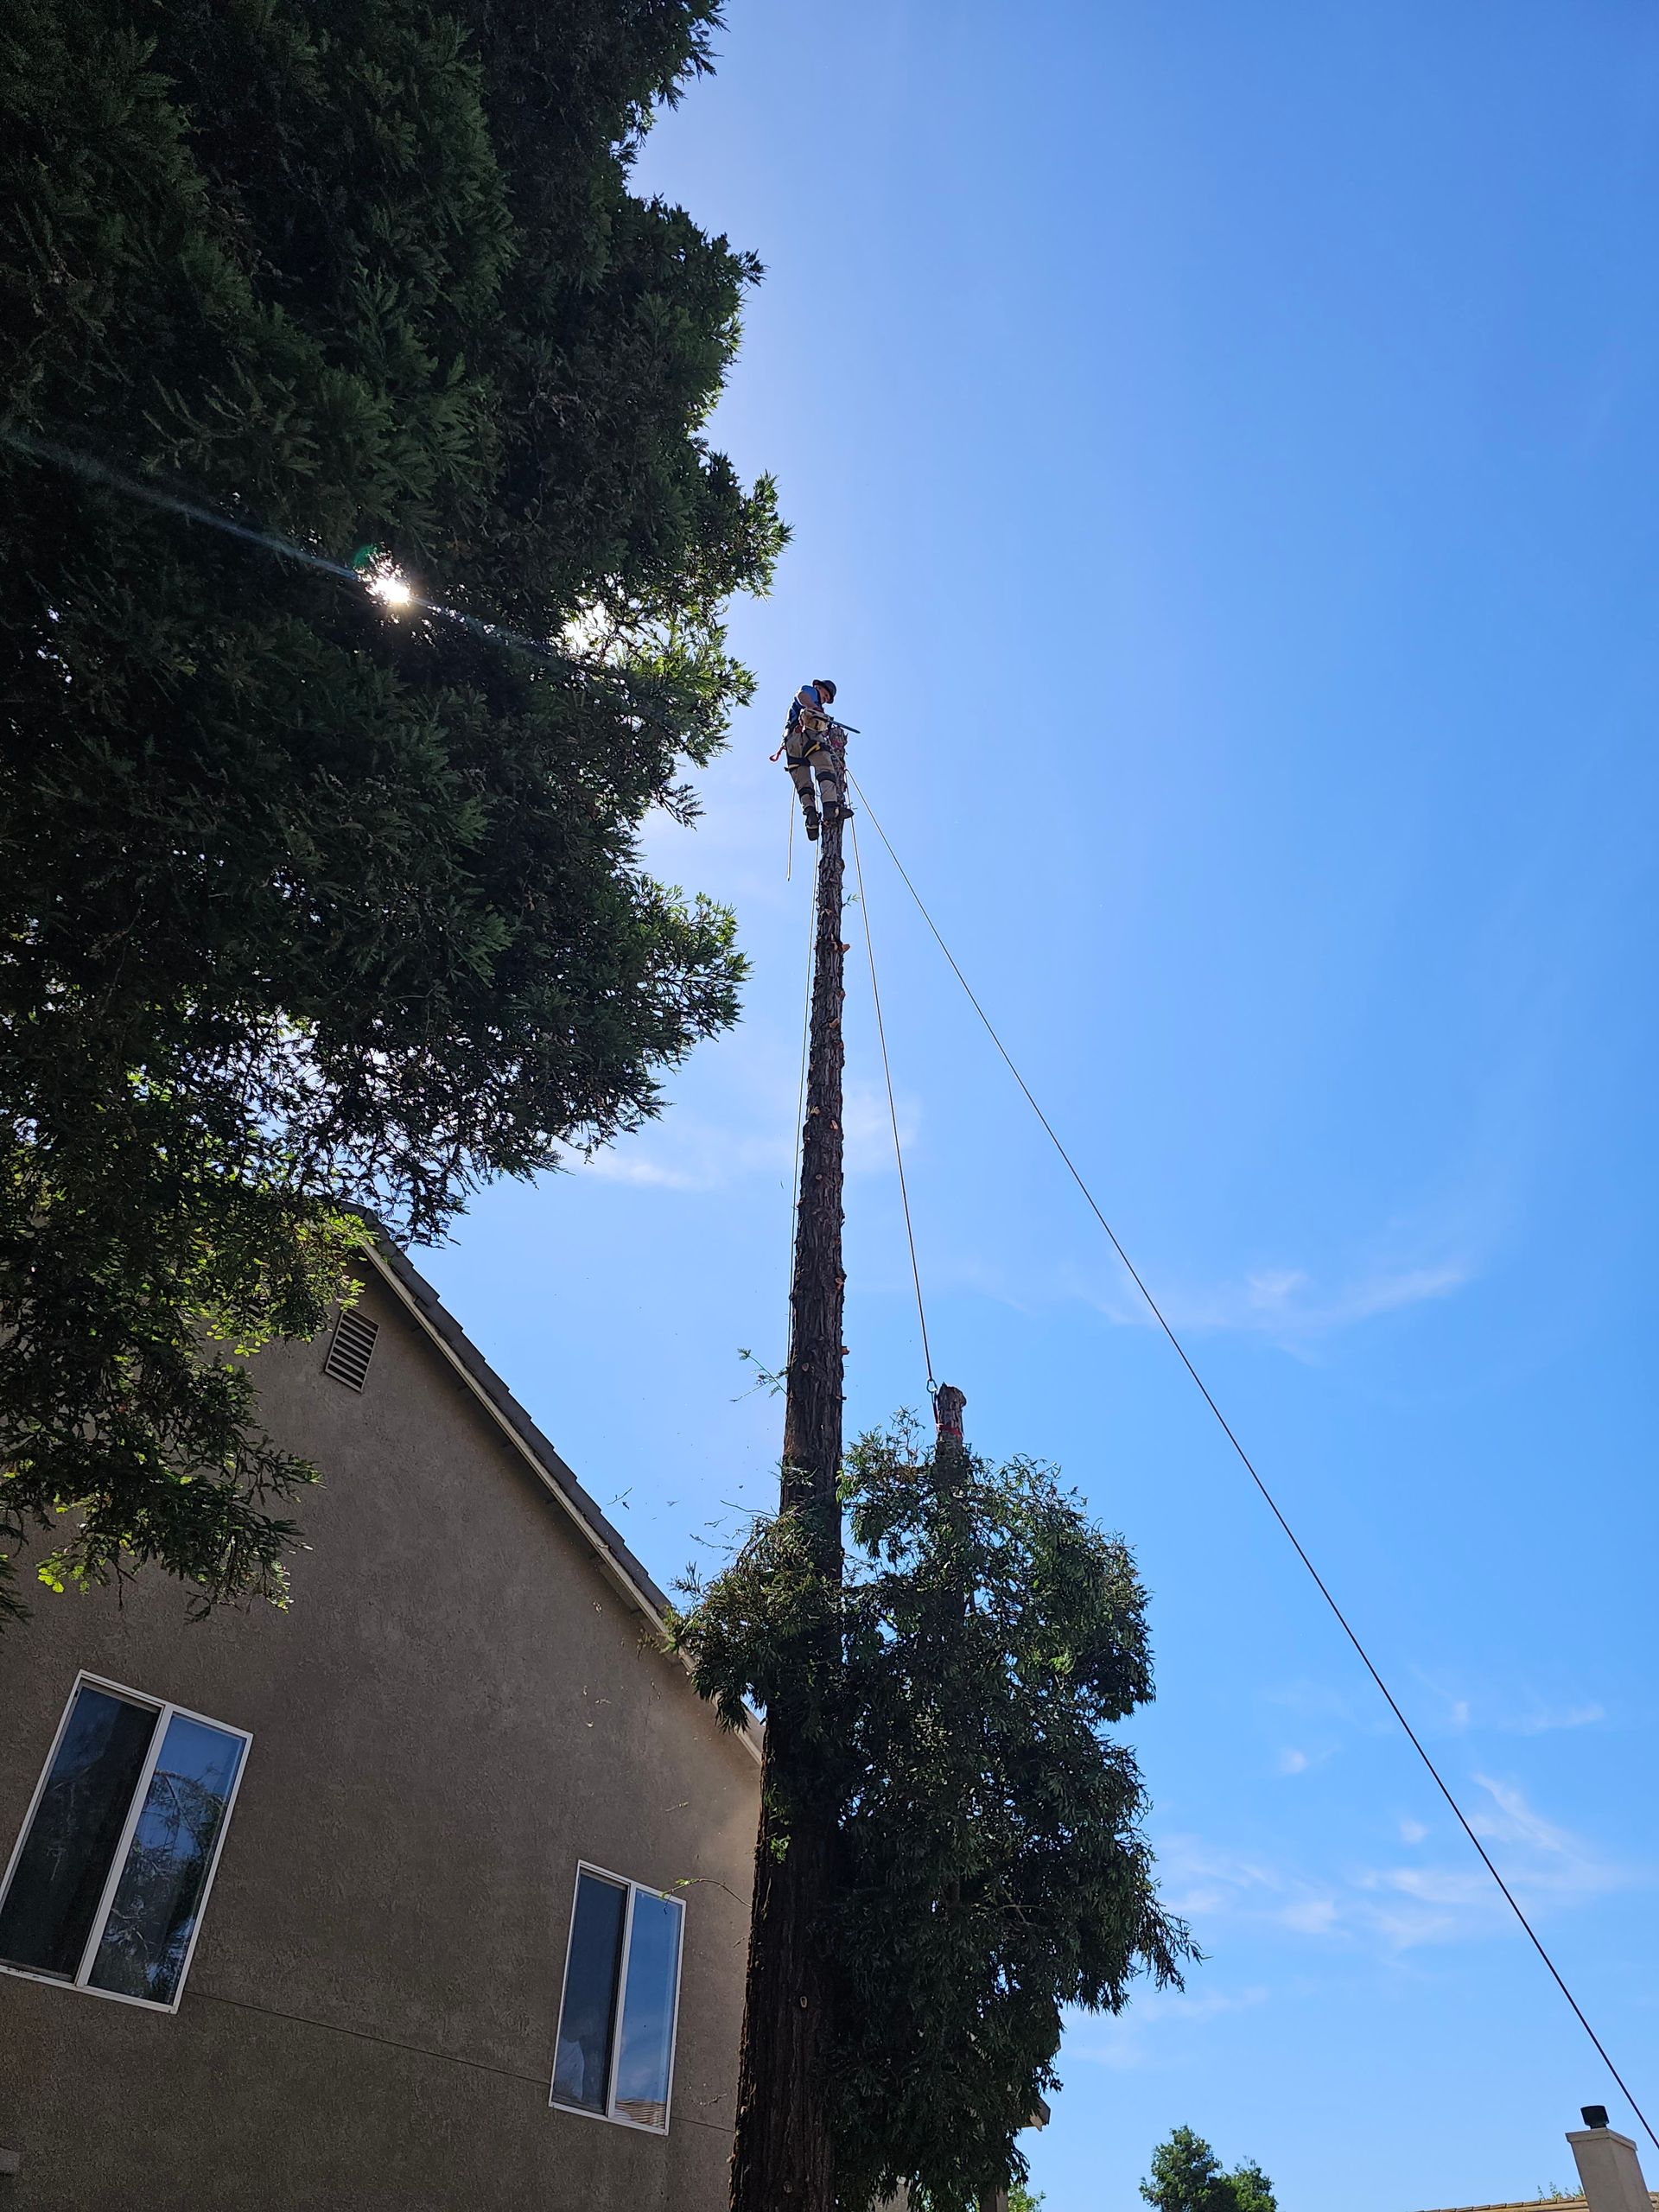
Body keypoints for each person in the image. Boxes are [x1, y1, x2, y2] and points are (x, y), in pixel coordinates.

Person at [777, 677, 847, 840]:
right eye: (825, 694)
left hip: (792, 744)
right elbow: (801, 696)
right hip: (806, 735)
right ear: (818, 686)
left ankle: (811, 818)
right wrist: (815, 708)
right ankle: (830, 807)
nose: (825, 699)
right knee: (825, 767)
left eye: (827, 699)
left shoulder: (816, 706)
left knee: (803, 783)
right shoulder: (810, 691)